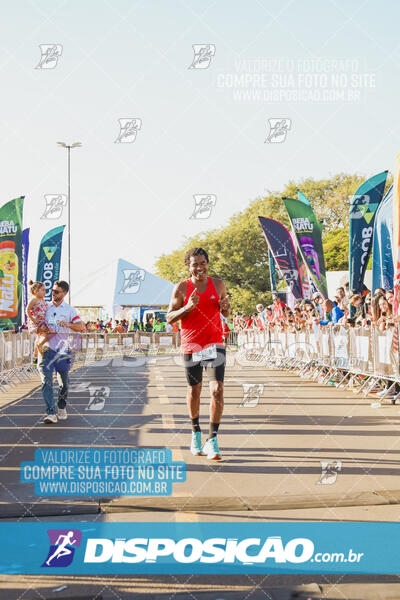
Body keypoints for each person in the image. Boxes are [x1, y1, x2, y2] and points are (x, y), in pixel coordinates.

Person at [167, 247, 230, 460]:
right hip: (192, 345)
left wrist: (226, 308)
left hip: (214, 343)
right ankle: (195, 433)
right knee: (195, 390)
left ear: (207, 264)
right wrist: (187, 308)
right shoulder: (182, 288)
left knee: (217, 390)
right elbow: (169, 317)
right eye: (195, 264)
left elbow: (225, 311)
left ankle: (212, 440)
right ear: (188, 266)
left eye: (203, 263)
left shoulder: (218, 284)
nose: (199, 268)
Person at [37, 280, 84, 424]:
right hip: (46, 349)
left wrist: (68, 324)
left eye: (56, 291)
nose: (52, 293)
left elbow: (81, 327)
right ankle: (50, 413)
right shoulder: (45, 307)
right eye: (52, 290)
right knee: (46, 382)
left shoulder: (69, 310)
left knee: (64, 383)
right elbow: (35, 323)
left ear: (64, 293)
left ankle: (61, 407)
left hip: (63, 350)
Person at [26, 280, 54, 355]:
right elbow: (27, 310)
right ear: (35, 291)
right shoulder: (34, 300)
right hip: (37, 321)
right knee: (44, 335)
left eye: (45, 290)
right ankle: (40, 353)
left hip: (43, 321)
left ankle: (36, 354)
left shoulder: (43, 300)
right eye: (43, 290)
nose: (45, 292)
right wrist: (33, 319)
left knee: (40, 337)